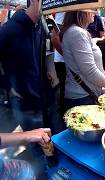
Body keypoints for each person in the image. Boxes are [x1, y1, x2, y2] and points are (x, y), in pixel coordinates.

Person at [0, 0, 60, 176]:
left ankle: (52, 169)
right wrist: (7, 85)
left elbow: (38, 56)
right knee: (36, 146)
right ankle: (43, 172)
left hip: (44, 96)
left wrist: (46, 72)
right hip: (25, 101)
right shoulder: (11, 28)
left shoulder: (40, 26)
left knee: (49, 141)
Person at [60, 10, 105, 111]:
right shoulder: (77, 33)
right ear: (81, 11)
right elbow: (90, 71)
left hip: (85, 96)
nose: (95, 12)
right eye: (91, 9)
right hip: (83, 98)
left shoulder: (77, 32)